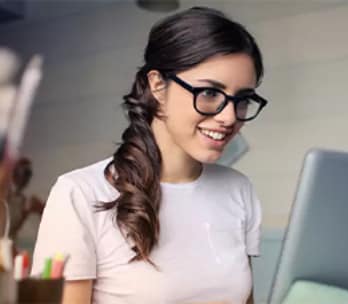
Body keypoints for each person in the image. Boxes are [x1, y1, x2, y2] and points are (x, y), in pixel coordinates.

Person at [31, 6, 267, 304]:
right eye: (209, 93)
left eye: (243, 99)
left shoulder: (238, 190)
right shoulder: (79, 194)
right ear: (158, 85)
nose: (230, 117)